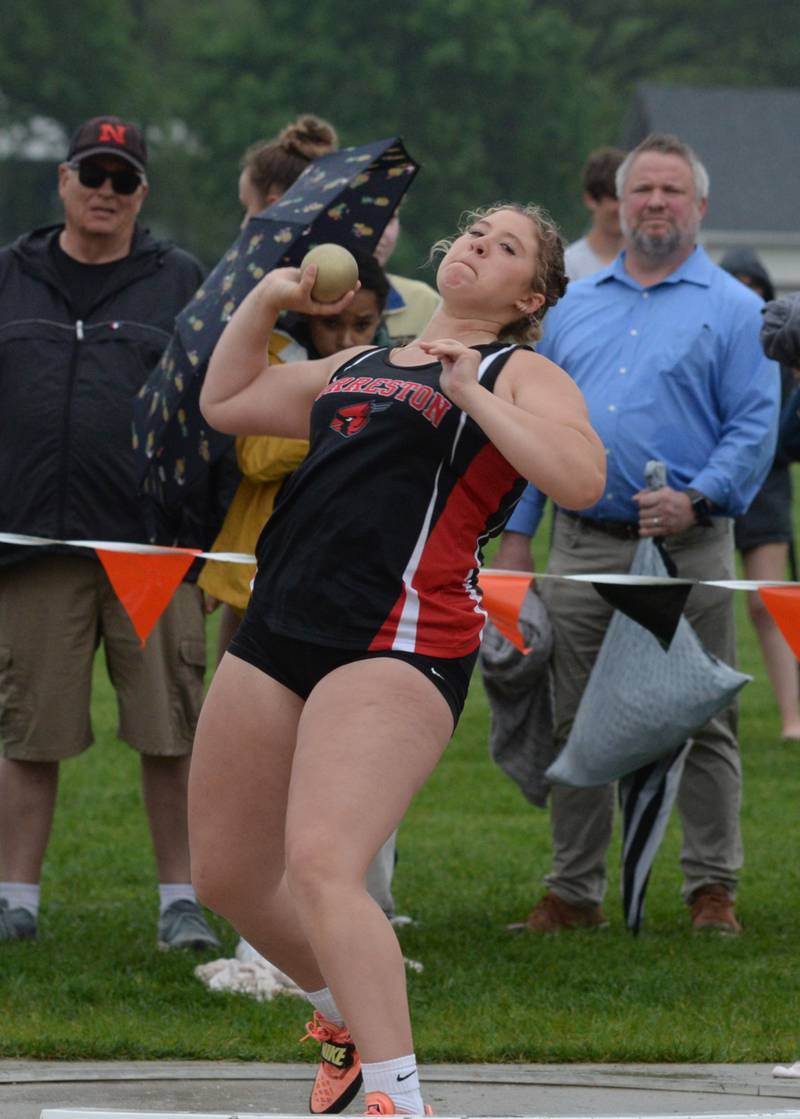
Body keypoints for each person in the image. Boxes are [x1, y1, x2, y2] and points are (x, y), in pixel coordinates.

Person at [189, 203, 605, 1116]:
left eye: (504, 247)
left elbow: (581, 477)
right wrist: (264, 301)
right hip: (282, 624)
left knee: (323, 862)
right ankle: (345, 1023)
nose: (476, 246)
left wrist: (477, 397)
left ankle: (397, 1097)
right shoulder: (363, 360)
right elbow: (228, 403)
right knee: (223, 872)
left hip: (402, 636)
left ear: (527, 295)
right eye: (473, 234)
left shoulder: (518, 370)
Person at [495, 133, 780, 937]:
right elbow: (530, 427)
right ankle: (573, 892)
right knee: (572, 714)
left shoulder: (735, 309)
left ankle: (711, 890)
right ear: (619, 203)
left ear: (701, 207)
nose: (656, 202)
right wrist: (518, 537)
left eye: (672, 191)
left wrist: (700, 498)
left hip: (689, 544)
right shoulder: (572, 307)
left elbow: (753, 428)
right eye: (643, 190)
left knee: (704, 717)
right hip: (582, 543)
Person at [0, 115, 219, 951]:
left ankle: (181, 903)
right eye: (91, 173)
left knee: (170, 730)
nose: (105, 190)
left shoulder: (181, 281)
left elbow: (210, 414)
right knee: (31, 730)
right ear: (61, 180)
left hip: (149, 549)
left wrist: (195, 528)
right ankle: (15, 899)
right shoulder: (9, 276)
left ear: (142, 195)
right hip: (34, 545)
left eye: (122, 178)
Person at [718, 250, 800, 740]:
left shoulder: (782, 349)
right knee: (697, 601)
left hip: (766, 483)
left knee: (768, 602)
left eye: (755, 284)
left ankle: (794, 716)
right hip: (708, 481)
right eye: (736, 283)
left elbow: (788, 440)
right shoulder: (715, 338)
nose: (747, 293)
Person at [374, 212, 441, 343]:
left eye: (389, 219)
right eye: (363, 219)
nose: (382, 233)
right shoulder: (321, 301)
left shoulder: (425, 302)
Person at [563, 146, 627, 281]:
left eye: (627, 197)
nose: (623, 208)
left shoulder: (652, 263)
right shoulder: (569, 266)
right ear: (590, 199)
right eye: (615, 198)